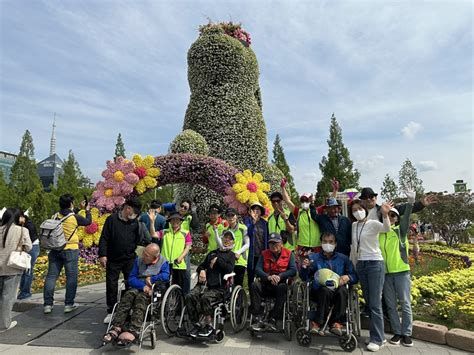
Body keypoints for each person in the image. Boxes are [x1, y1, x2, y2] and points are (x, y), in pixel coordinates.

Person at [102, 243, 170, 346]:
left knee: (141, 298)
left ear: (154, 257)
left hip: (154, 287)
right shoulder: (138, 260)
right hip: (139, 285)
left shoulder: (163, 262)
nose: (143, 256)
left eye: (147, 255)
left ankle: (134, 330)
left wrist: (151, 279)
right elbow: (131, 278)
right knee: (128, 296)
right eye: (144, 252)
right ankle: (116, 327)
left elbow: (165, 276)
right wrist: (142, 286)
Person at [99, 198, 151, 324]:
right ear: (127, 208)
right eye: (133, 212)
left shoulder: (135, 223)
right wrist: (102, 255)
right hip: (113, 258)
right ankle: (111, 311)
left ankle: (129, 309)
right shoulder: (111, 220)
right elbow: (104, 237)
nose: (134, 215)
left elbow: (141, 240)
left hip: (129, 259)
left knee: (132, 284)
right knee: (111, 285)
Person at [350, 198, 392, 352]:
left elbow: (386, 229)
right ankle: (377, 335)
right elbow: (354, 247)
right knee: (369, 303)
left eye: (359, 208)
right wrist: (354, 266)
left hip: (374, 263)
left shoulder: (373, 223)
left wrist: (385, 214)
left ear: (365, 209)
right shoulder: (354, 225)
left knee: (375, 303)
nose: (357, 212)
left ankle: (378, 339)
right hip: (361, 264)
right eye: (354, 210)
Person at [299, 232, 358, 335]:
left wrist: (348, 277)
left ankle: (336, 323)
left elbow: (355, 276)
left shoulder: (343, 258)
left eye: (331, 242)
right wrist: (305, 267)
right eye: (325, 242)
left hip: (337, 290)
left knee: (343, 290)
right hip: (319, 291)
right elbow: (304, 277)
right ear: (321, 243)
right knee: (325, 290)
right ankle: (318, 323)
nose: (328, 244)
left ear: (335, 244)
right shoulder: (314, 258)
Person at [44, 194, 92, 314]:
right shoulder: (75, 218)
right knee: (71, 277)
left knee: (51, 277)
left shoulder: (54, 216)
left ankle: (48, 305)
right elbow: (88, 222)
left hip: (55, 250)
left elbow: (66, 215)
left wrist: (77, 209)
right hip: (70, 250)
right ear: (71, 204)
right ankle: (68, 304)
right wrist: (87, 210)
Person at [379, 191, 415, 347]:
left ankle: (407, 333)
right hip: (386, 274)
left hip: (401, 272)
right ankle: (397, 332)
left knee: (405, 303)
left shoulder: (400, 232)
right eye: (389, 215)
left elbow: (406, 218)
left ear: (397, 219)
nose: (392, 218)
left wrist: (410, 202)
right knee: (391, 305)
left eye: (394, 216)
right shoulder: (379, 233)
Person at [186, 230, 236, 338]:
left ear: (232, 242)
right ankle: (195, 323)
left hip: (218, 288)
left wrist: (218, 260)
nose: (227, 240)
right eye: (225, 237)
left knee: (205, 298)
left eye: (230, 238)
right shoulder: (212, 253)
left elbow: (229, 269)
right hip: (204, 285)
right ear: (221, 239)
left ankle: (208, 325)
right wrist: (202, 270)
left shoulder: (231, 255)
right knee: (190, 296)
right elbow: (201, 265)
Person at [250, 233, 296, 331]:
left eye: (276, 243)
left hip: (280, 284)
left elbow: (293, 270)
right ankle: (257, 316)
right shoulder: (264, 254)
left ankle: (273, 318)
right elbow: (258, 269)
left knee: (283, 287)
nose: (273, 246)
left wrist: (280, 276)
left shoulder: (289, 254)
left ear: (281, 243)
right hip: (267, 282)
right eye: (271, 243)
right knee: (254, 285)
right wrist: (269, 277)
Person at [0, 208, 32, 332]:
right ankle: (4, 324)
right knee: (7, 296)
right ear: (19, 218)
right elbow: (29, 247)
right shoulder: (22, 230)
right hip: (12, 266)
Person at [281, 181, 321, 265]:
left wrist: (335, 190)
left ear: (311, 201)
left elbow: (329, 204)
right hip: (302, 247)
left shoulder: (317, 211)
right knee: (303, 270)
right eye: (302, 200)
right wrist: (283, 187)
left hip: (316, 246)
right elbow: (287, 201)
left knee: (316, 270)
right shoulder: (298, 212)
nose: (304, 202)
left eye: (306, 200)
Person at [158, 212, 192, 292]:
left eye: (177, 220)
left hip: (178, 263)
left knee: (177, 286)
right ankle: (164, 302)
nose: (175, 221)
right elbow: (153, 234)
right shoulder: (165, 232)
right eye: (172, 220)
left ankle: (179, 302)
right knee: (163, 285)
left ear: (180, 221)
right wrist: (152, 221)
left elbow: (188, 246)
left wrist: (181, 257)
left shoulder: (185, 233)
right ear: (170, 221)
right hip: (165, 263)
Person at [359, 187, 437, 222]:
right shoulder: (357, 214)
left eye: (371, 196)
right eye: (365, 197)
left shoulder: (384, 210)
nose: (368, 199)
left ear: (375, 198)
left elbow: (403, 209)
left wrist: (420, 204)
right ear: (362, 200)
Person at [218, 208, 248, 286]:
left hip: (239, 261)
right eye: (228, 216)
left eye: (232, 215)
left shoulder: (243, 228)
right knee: (224, 284)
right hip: (227, 261)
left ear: (236, 216)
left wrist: (238, 252)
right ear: (226, 217)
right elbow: (222, 245)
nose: (231, 218)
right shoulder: (225, 230)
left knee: (237, 285)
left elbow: (247, 244)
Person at [244, 202, 269, 288]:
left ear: (261, 211)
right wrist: (253, 223)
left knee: (262, 274)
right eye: (254, 209)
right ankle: (251, 295)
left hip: (262, 253)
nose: (256, 211)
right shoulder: (247, 221)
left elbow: (267, 237)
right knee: (251, 274)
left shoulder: (264, 223)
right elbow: (248, 233)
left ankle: (260, 295)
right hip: (252, 253)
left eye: (258, 209)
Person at [17, 211, 40, 300]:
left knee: (28, 271)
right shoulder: (22, 225)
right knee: (24, 270)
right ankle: (22, 291)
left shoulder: (29, 225)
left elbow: (28, 241)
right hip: (27, 247)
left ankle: (25, 292)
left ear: (23, 217)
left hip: (32, 247)